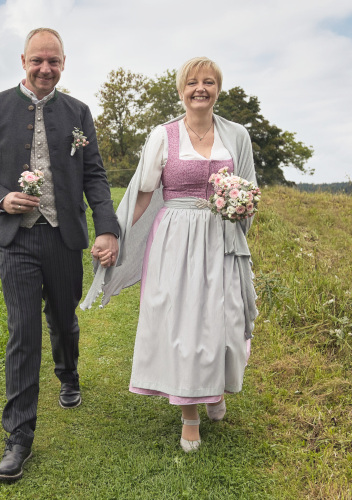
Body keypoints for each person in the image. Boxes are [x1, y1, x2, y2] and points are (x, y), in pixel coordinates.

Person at [0, 27, 120, 482]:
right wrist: (0, 198)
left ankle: (68, 373)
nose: (45, 69)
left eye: (53, 61)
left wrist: (106, 229)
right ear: (23, 60)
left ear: (64, 64)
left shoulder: (78, 112)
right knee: (23, 330)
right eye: (38, 61)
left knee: (63, 320)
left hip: (64, 236)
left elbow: (95, 175)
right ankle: (19, 437)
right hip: (16, 240)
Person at [82, 57, 258, 453]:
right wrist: (114, 234)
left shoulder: (238, 136)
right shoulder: (164, 136)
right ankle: (189, 414)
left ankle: (214, 389)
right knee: (185, 326)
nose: (201, 88)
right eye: (193, 82)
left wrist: (242, 208)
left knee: (224, 321)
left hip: (221, 239)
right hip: (175, 241)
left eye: (209, 82)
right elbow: (143, 194)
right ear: (181, 91)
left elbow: (249, 191)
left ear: (218, 89)